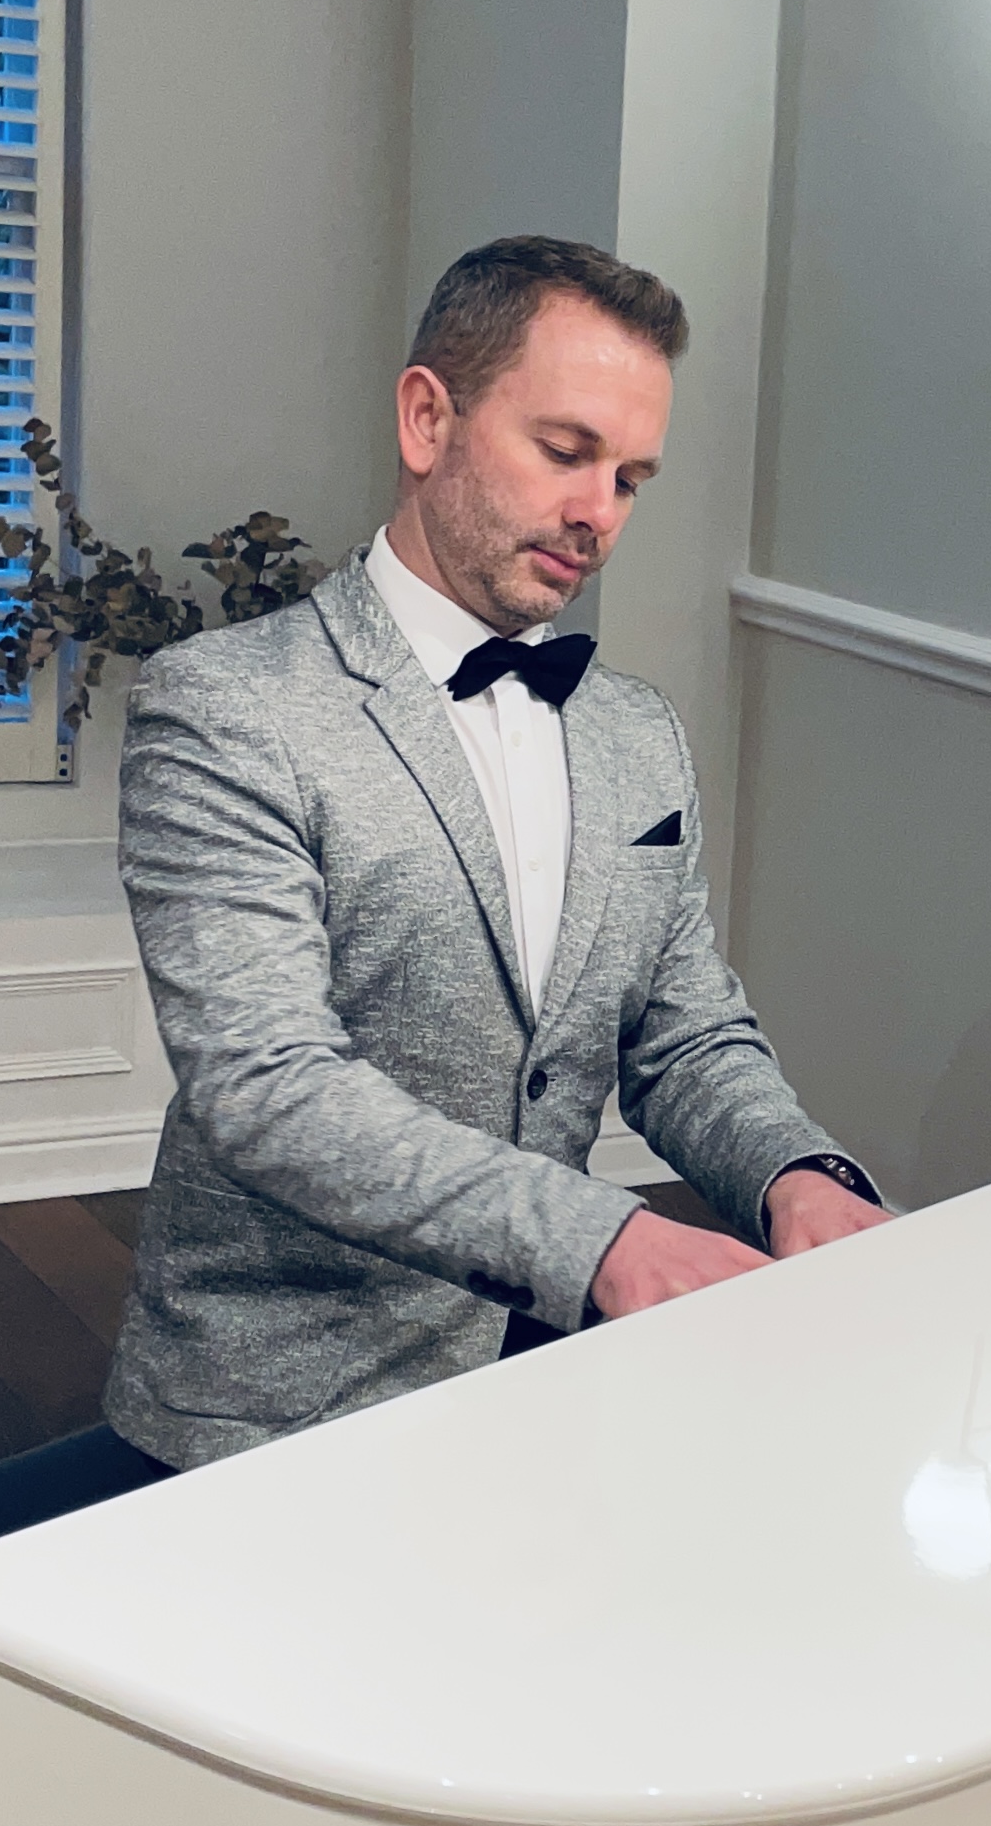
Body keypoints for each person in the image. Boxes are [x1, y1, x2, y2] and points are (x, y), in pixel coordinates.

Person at [99, 233, 889, 1472]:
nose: (597, 514)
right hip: (278, 1412)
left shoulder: (637, 735)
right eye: (565, 452)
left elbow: (681, 1031)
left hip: (545, 1385)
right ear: (427, 419)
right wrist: (607, 1241)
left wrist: (797, 1172)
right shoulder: (227, 707)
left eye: (630, 478)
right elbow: (269, 1086)